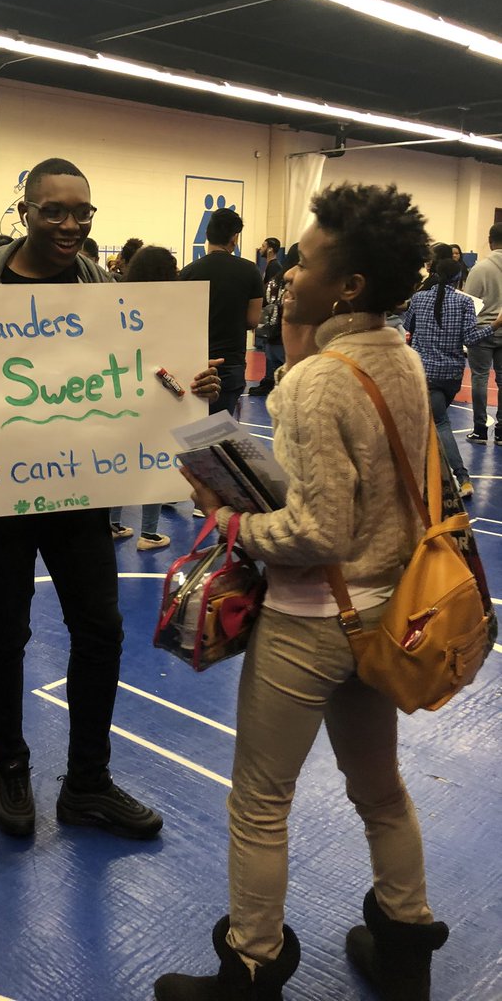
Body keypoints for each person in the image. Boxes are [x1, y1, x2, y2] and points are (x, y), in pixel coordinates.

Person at [157, 183, 449, 1001]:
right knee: (381, 791)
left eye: (307, 262)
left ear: (348, 285)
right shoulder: (400, 356)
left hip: (311, 622)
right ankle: (405, 945)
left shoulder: (320, 380)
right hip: (383, 615)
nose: (287, 273)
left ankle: (250, 967)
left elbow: (318, 531)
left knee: (259, 803)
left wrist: (232, 524)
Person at [0, 158, 220, 841]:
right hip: (0, 491)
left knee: (102, 629)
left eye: (82, 212)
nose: (70, 223)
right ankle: (11, 768)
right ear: (24, 211)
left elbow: (144, 378)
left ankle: (87, 781)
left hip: (78, 489)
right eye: (54, 210)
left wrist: (188, 383)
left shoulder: (98, 284)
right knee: (4, 631)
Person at [404, 258, 502, 499]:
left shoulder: (419, 298)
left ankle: (461, 477)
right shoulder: (464, 302)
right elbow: (470, 338)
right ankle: (438, 473)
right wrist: (495, 325)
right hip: (451, 374)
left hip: (425, 372)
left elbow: (408, 326)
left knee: (438, 423)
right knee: (434, 422)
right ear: (459, 279)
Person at [110, 246, 180, 550]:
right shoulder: (169, 308)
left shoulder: (117, 301)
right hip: (156, 395)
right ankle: (148, 533)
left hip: (119, 393)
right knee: (152, 463)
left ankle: (112, 523)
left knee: (117, 462)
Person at [179, 209, 264, 417]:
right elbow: (253, 320)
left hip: (197, 362)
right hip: (230, 362)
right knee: (224, 431)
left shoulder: (188, 272)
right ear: (235, 237)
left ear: (208, 235)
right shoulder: (250, 270)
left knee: (192, 427)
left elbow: (181, 320)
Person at [463, 223, 502, 445]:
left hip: (483, 331)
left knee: (480, 378)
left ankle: (479, 429)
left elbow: (470, 304)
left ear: (490, 240)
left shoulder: (480, 268)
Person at [250, 239, 285, 397]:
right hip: (270, 317)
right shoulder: (270, 267)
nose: (261, 249)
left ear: (270, 249)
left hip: (272, 318)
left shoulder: (275, 268)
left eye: (263, 246)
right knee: (268, 351)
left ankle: (270, 382)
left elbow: (271, 297)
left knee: (271, 352)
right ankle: (268, 381)